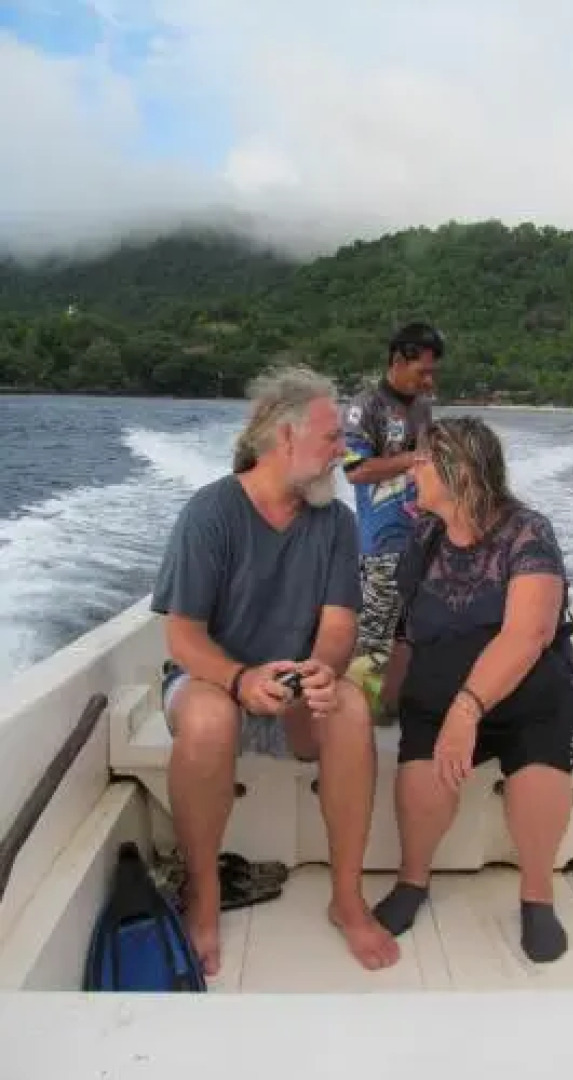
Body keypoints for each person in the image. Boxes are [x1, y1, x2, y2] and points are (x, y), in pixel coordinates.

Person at [150, 365, 400, 977]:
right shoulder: (211, 513)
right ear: (284, 440)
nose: (345, 451)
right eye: (332, 438)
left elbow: (339, 623)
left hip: (292, 686)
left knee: (348, 706)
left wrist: (321, 669)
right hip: (215, 681)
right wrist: (241, 681)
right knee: (208, 721)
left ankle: (347, 897)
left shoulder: (336, 522)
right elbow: (183, 636)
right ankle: (204, 898)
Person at [372, 418, 573, 963]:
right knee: (421, 777)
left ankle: (538, 897)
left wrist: (467, 711)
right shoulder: (423, 539)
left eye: (422, 460)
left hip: (531, 698)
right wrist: (388, 700)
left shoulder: (528, 532)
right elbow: (406, 630)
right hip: (439, 701)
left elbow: (529, 634)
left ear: (459, 472)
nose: (411, 469)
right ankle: (412, 881)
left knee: (538, 765)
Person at [342, 322, 443, 712]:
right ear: (398, 361)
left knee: (414, 631)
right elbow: (354, 470)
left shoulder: (423, 408)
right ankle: (359, 717)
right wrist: (414, 458)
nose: (429, 380)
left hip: (423, 538)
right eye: (423, 371)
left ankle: (394, 704)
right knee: (374, 636)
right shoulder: (362, 407)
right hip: (382, 542)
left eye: (433, 372)